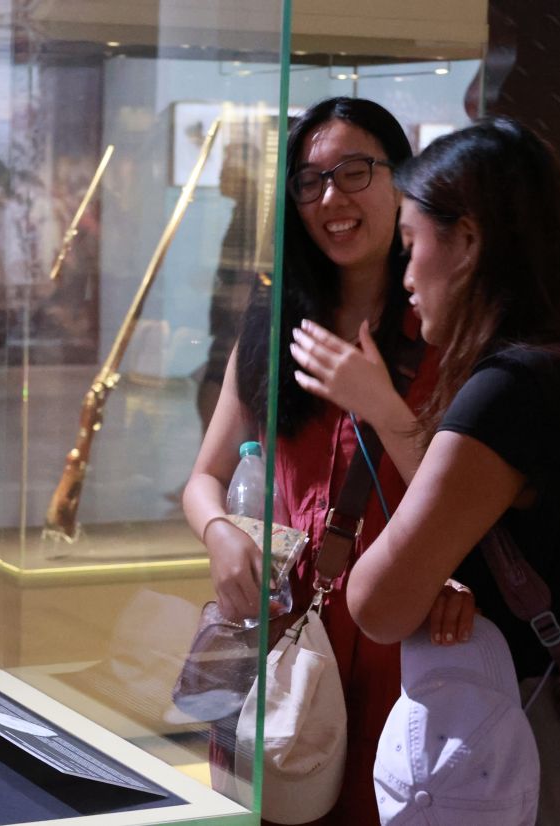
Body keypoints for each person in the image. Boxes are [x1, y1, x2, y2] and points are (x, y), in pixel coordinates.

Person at [344, 117, 560, 824]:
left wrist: (418, 581)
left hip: (517, 759)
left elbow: (378, 603)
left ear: (469, 243)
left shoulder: (508, 391)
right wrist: (447, 579)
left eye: (412, 245)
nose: (407, 276)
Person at [183, 97, 444, 825]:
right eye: (309, 180)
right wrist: (219, 533)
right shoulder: (273, 323)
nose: (331, 198)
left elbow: (455, 495)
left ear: (403, 181)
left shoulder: (443, 324)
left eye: (354, 172)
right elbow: (202, 479)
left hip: (396, 628)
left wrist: (381, 402)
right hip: (279, 619)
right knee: (268, 805)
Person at [196, 137, 272, 432]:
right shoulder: (242, 211)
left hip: (241, 322)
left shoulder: (253, 212)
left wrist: (242, 296)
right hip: (229, 322)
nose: (221, 173)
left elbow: (250, 275)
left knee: (218, 391)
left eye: (228, 165)